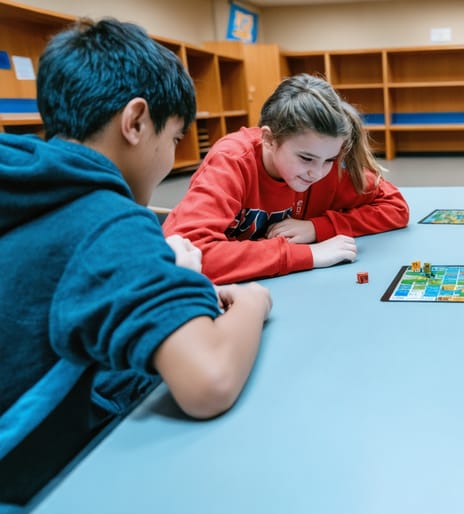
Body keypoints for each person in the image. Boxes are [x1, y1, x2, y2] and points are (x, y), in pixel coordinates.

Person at [0, 19, 272, 507]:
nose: (171, 156)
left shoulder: (26, 180)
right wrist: (253, 302)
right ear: (136, 121)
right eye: (175, 138)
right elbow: (209, 380)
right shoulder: (109, 223)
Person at [162, 74, 410, 285]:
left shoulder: (326, 163)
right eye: (306, 158)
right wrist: (307, 255)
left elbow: (395, 207)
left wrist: (317, 228)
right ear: (269, 139)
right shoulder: (232, 161)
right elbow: (182, 254)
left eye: (329, 160)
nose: (317, 173)